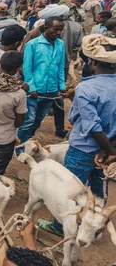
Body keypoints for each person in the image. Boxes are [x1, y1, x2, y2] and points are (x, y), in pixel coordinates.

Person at [38, 34, 116, 237]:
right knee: (99, 188)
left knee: (71, 189)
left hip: (83, 149)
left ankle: (59, 225)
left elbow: (92, 125)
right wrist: (111, 151)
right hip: (107, 151)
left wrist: (109, 150)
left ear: (91, 62)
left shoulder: (86, 88)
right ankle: (95, 226)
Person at [17, 17, 66, 143]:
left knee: (38, 119)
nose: (59, 33)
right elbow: (27, 68)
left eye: (61, 30)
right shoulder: (32, 45)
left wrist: (62, 86)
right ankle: (19, 143)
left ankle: (26, 141)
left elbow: (60, 67)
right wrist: (31, 87)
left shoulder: (60, 44)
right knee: (28, 120)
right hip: (35, 91)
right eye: (55, 29)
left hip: (51, 91)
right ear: (46, 28)